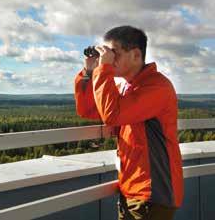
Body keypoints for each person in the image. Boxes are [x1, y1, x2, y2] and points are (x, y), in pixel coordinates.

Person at [74, 25, 183, 220]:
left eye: (114, 52)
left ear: (135, 55)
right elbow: (89, 110)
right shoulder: (129, 88)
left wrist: (103, 69)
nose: (108, 58)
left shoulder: (157, 87)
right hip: (132, 190)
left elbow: (112, 115)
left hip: (152, 195)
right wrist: (89, 73)